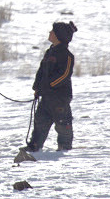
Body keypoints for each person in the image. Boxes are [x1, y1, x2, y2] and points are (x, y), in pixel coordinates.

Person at [26, 21, 77, 152]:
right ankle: (35, 146)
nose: (50, 33)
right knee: (40, 121)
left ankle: (64, 147)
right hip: (46, 97)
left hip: (60, 98)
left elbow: (64, 75)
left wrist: (48, 86)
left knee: (62, 123)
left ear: (59, 36)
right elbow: (41, 71)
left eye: (52, 31)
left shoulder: (67, 55)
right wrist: (37, 87)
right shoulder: (50, 52)